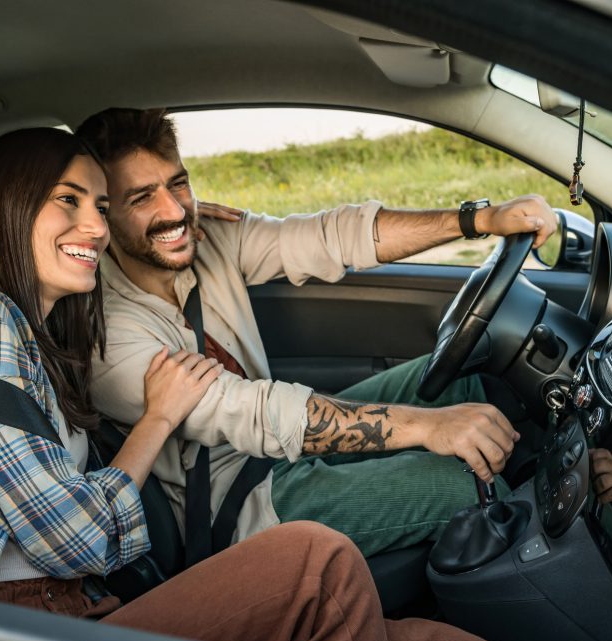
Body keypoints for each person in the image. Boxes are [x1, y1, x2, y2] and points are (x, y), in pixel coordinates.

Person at [0, 126, 554, 641]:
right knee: (317, 562)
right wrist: (158, 419)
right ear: (7, 205)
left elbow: (326, 235)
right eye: (69, 201)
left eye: (101, 207)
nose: (95, 226)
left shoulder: (39, 331)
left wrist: (478, 219)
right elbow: (71, 538)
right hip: (2, 638)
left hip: (79, 606)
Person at [77, 108, 557, 558]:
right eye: (142, 198)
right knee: (459, 486)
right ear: (101, 213)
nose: (175, 210)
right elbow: (256, 413)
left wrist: (477, 220)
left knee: (457, 379)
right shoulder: (108, 337)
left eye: (178, 184)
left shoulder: (210, 238)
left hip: (278, 449)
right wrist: (426, 426)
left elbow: (329, 236)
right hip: (235, 506)